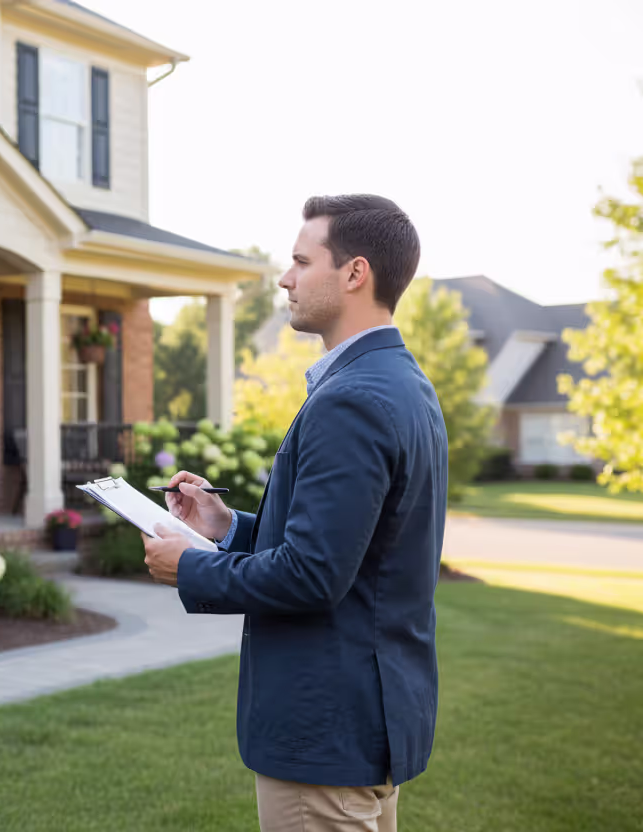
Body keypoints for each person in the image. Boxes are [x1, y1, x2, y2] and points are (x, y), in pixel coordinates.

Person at [142, 194, 448, 832]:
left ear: (355, 273)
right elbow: (360, 550)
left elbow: (312, 575)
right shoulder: (403, 383)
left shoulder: (352, 399)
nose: (284, 278)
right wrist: (225, 530)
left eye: (301, 261)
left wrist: (189, 568)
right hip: (369, 723)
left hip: (325, 735)